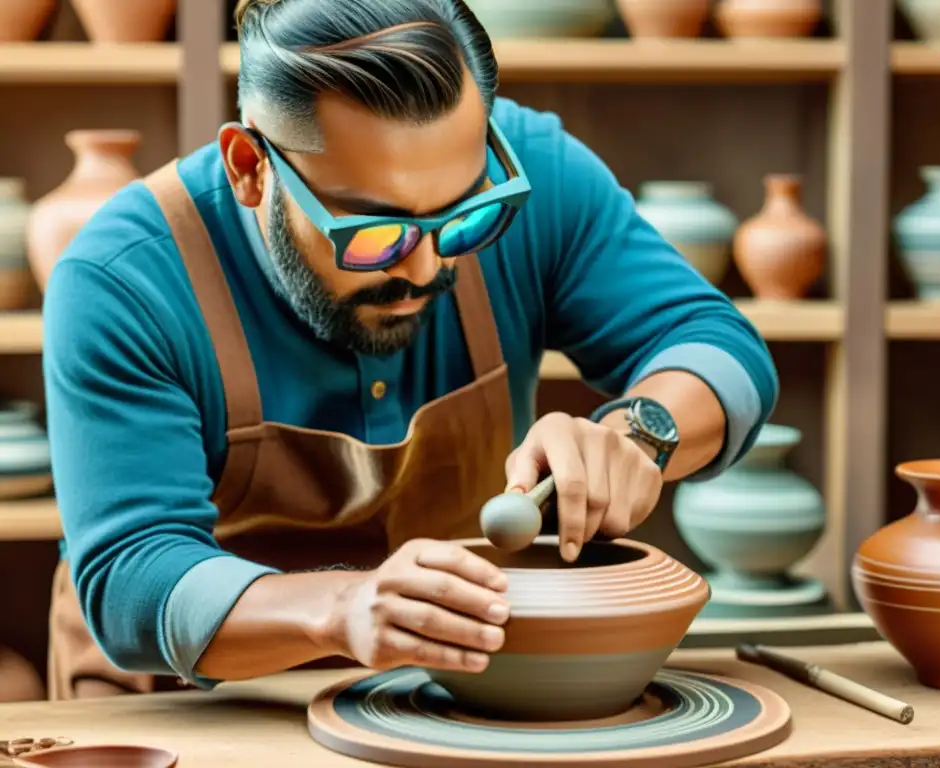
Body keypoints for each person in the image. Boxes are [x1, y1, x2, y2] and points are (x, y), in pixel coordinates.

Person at [42, 0, 779, 700]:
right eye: (374, 232)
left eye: (461, 217)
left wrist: (640, 433)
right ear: (248, 167)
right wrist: (341, 608)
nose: (426, 269)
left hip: (440, 698)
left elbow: (715, 342)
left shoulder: (536, 177)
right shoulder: (124, 278)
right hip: (187, 718)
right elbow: (134, 577)